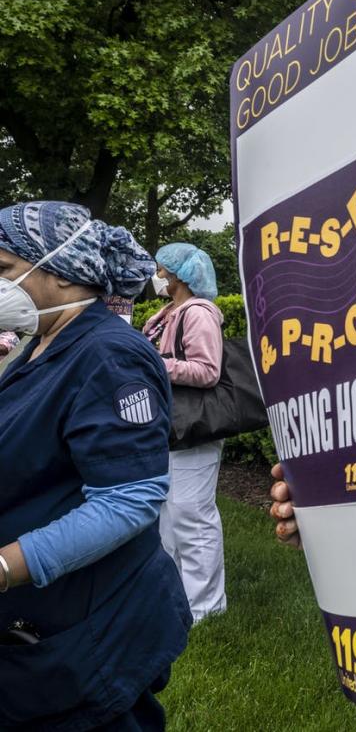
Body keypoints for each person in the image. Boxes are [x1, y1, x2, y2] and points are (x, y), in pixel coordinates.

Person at [0, 201, 189, 730]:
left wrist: (5, 566)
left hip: (89, 631)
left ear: (60, 270)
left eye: (4, 270)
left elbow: (129, 498)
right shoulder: (42, 343)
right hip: (42, 627)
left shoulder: (109, 355)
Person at [142, 242, 228, 623]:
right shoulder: (167, 313)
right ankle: (177, 598)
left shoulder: (199, 313)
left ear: (177, 274)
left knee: (191, 514)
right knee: (168, 515)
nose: (157, 275)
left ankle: (206, 609)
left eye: (161, 269)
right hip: (168, 426)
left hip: (193, 428)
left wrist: (154, 364)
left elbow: (207, 370)